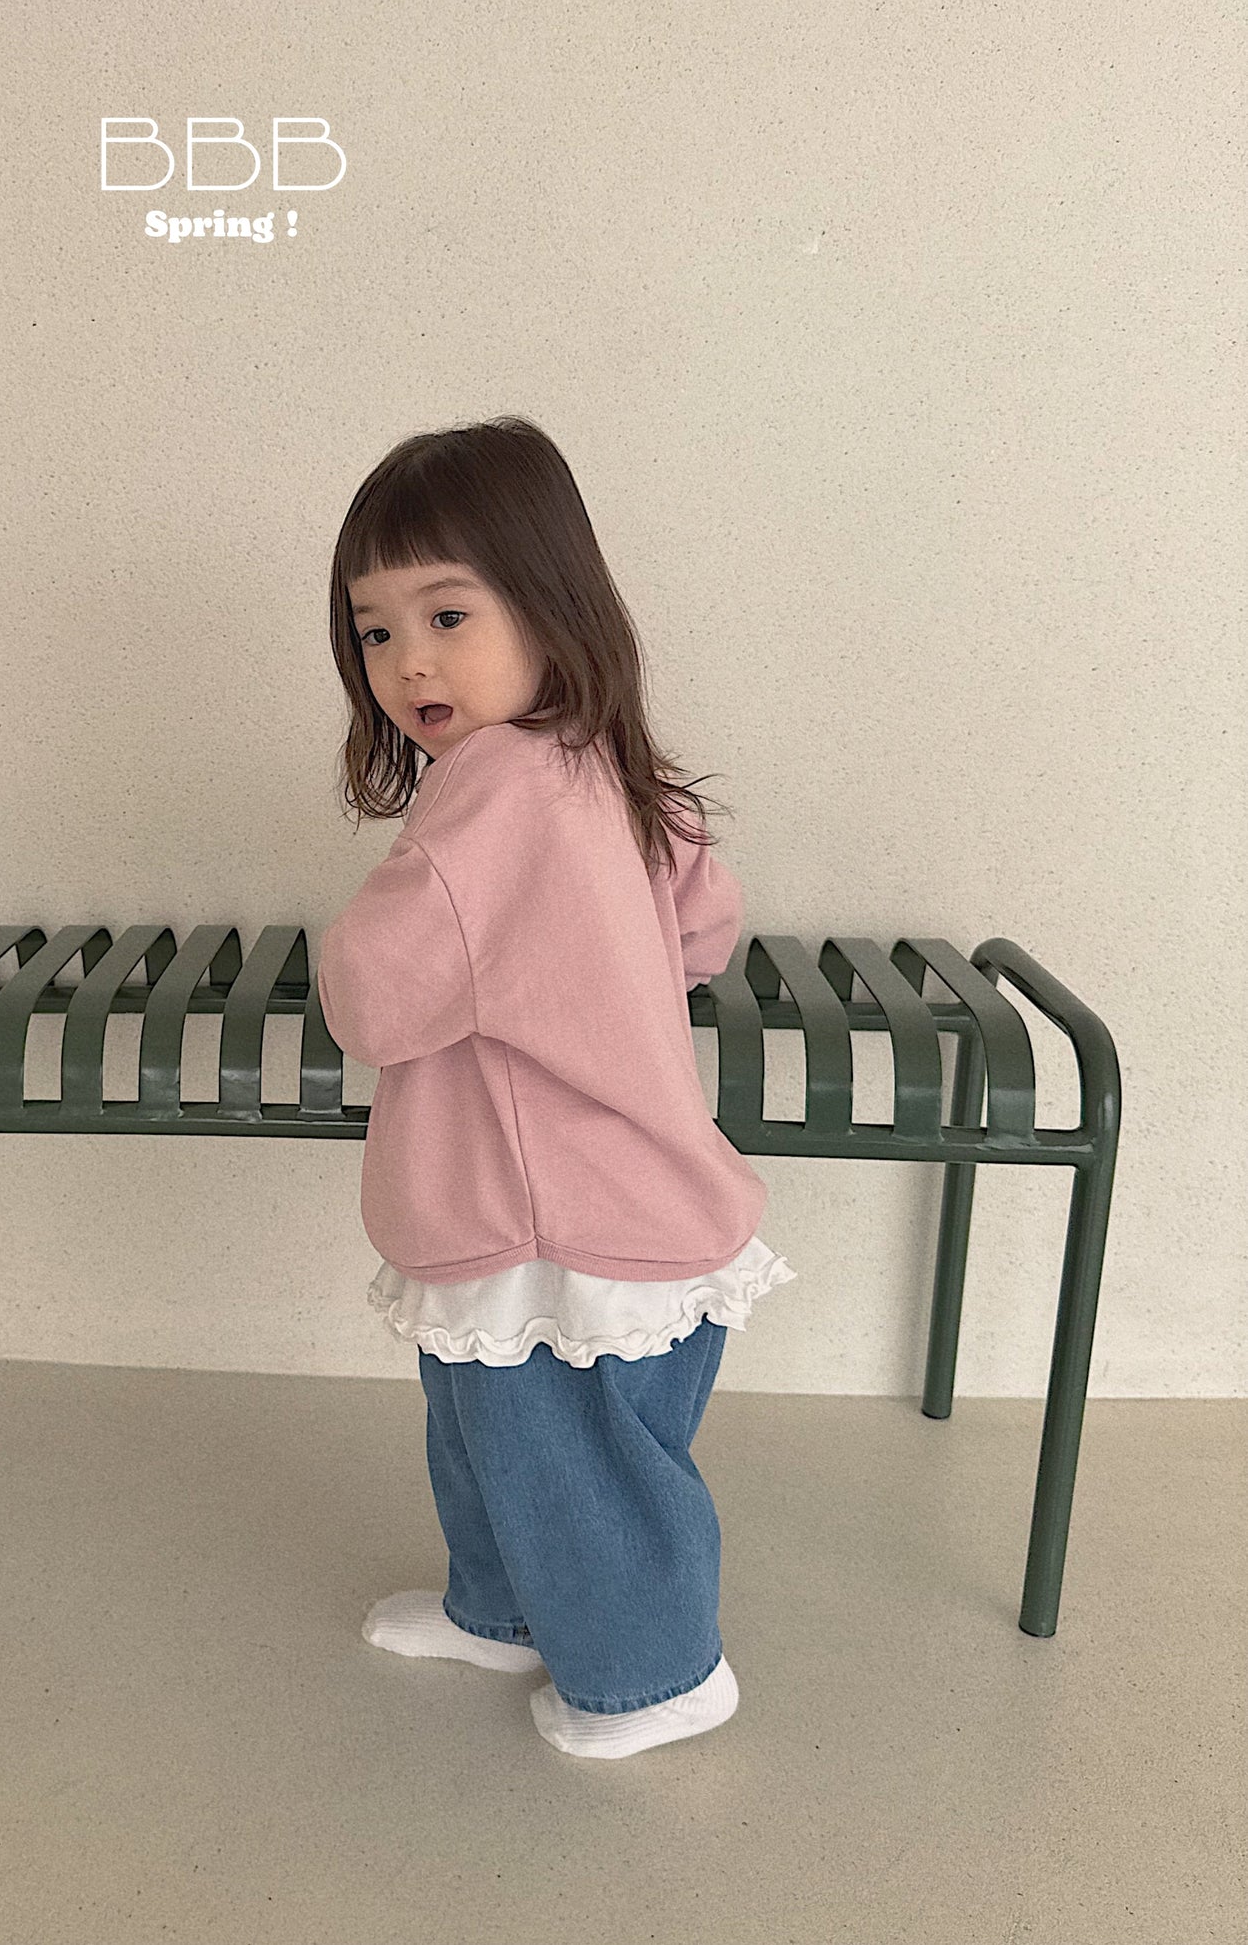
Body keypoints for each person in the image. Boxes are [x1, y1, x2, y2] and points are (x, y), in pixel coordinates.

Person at [315, 415, 797, 1761]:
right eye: (374, 631)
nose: (409, 660)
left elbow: (376, 995)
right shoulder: (601, 763)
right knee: (502, 1442)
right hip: (593, 1198)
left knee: (572, 1468)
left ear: (548, 604)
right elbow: (703, 925)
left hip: (553, 1223)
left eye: (446, 615)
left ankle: (657, 1677)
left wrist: (371, 944)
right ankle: (501, 1609)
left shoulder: (493, 796)